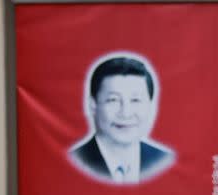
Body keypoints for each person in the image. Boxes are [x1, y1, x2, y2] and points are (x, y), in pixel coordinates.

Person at [68, 55, 174, 184]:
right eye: (113, 100)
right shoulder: (73, 162)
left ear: (151, 106)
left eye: (135, 100)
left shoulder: (164, 160)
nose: (126, 113)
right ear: (93, 105)